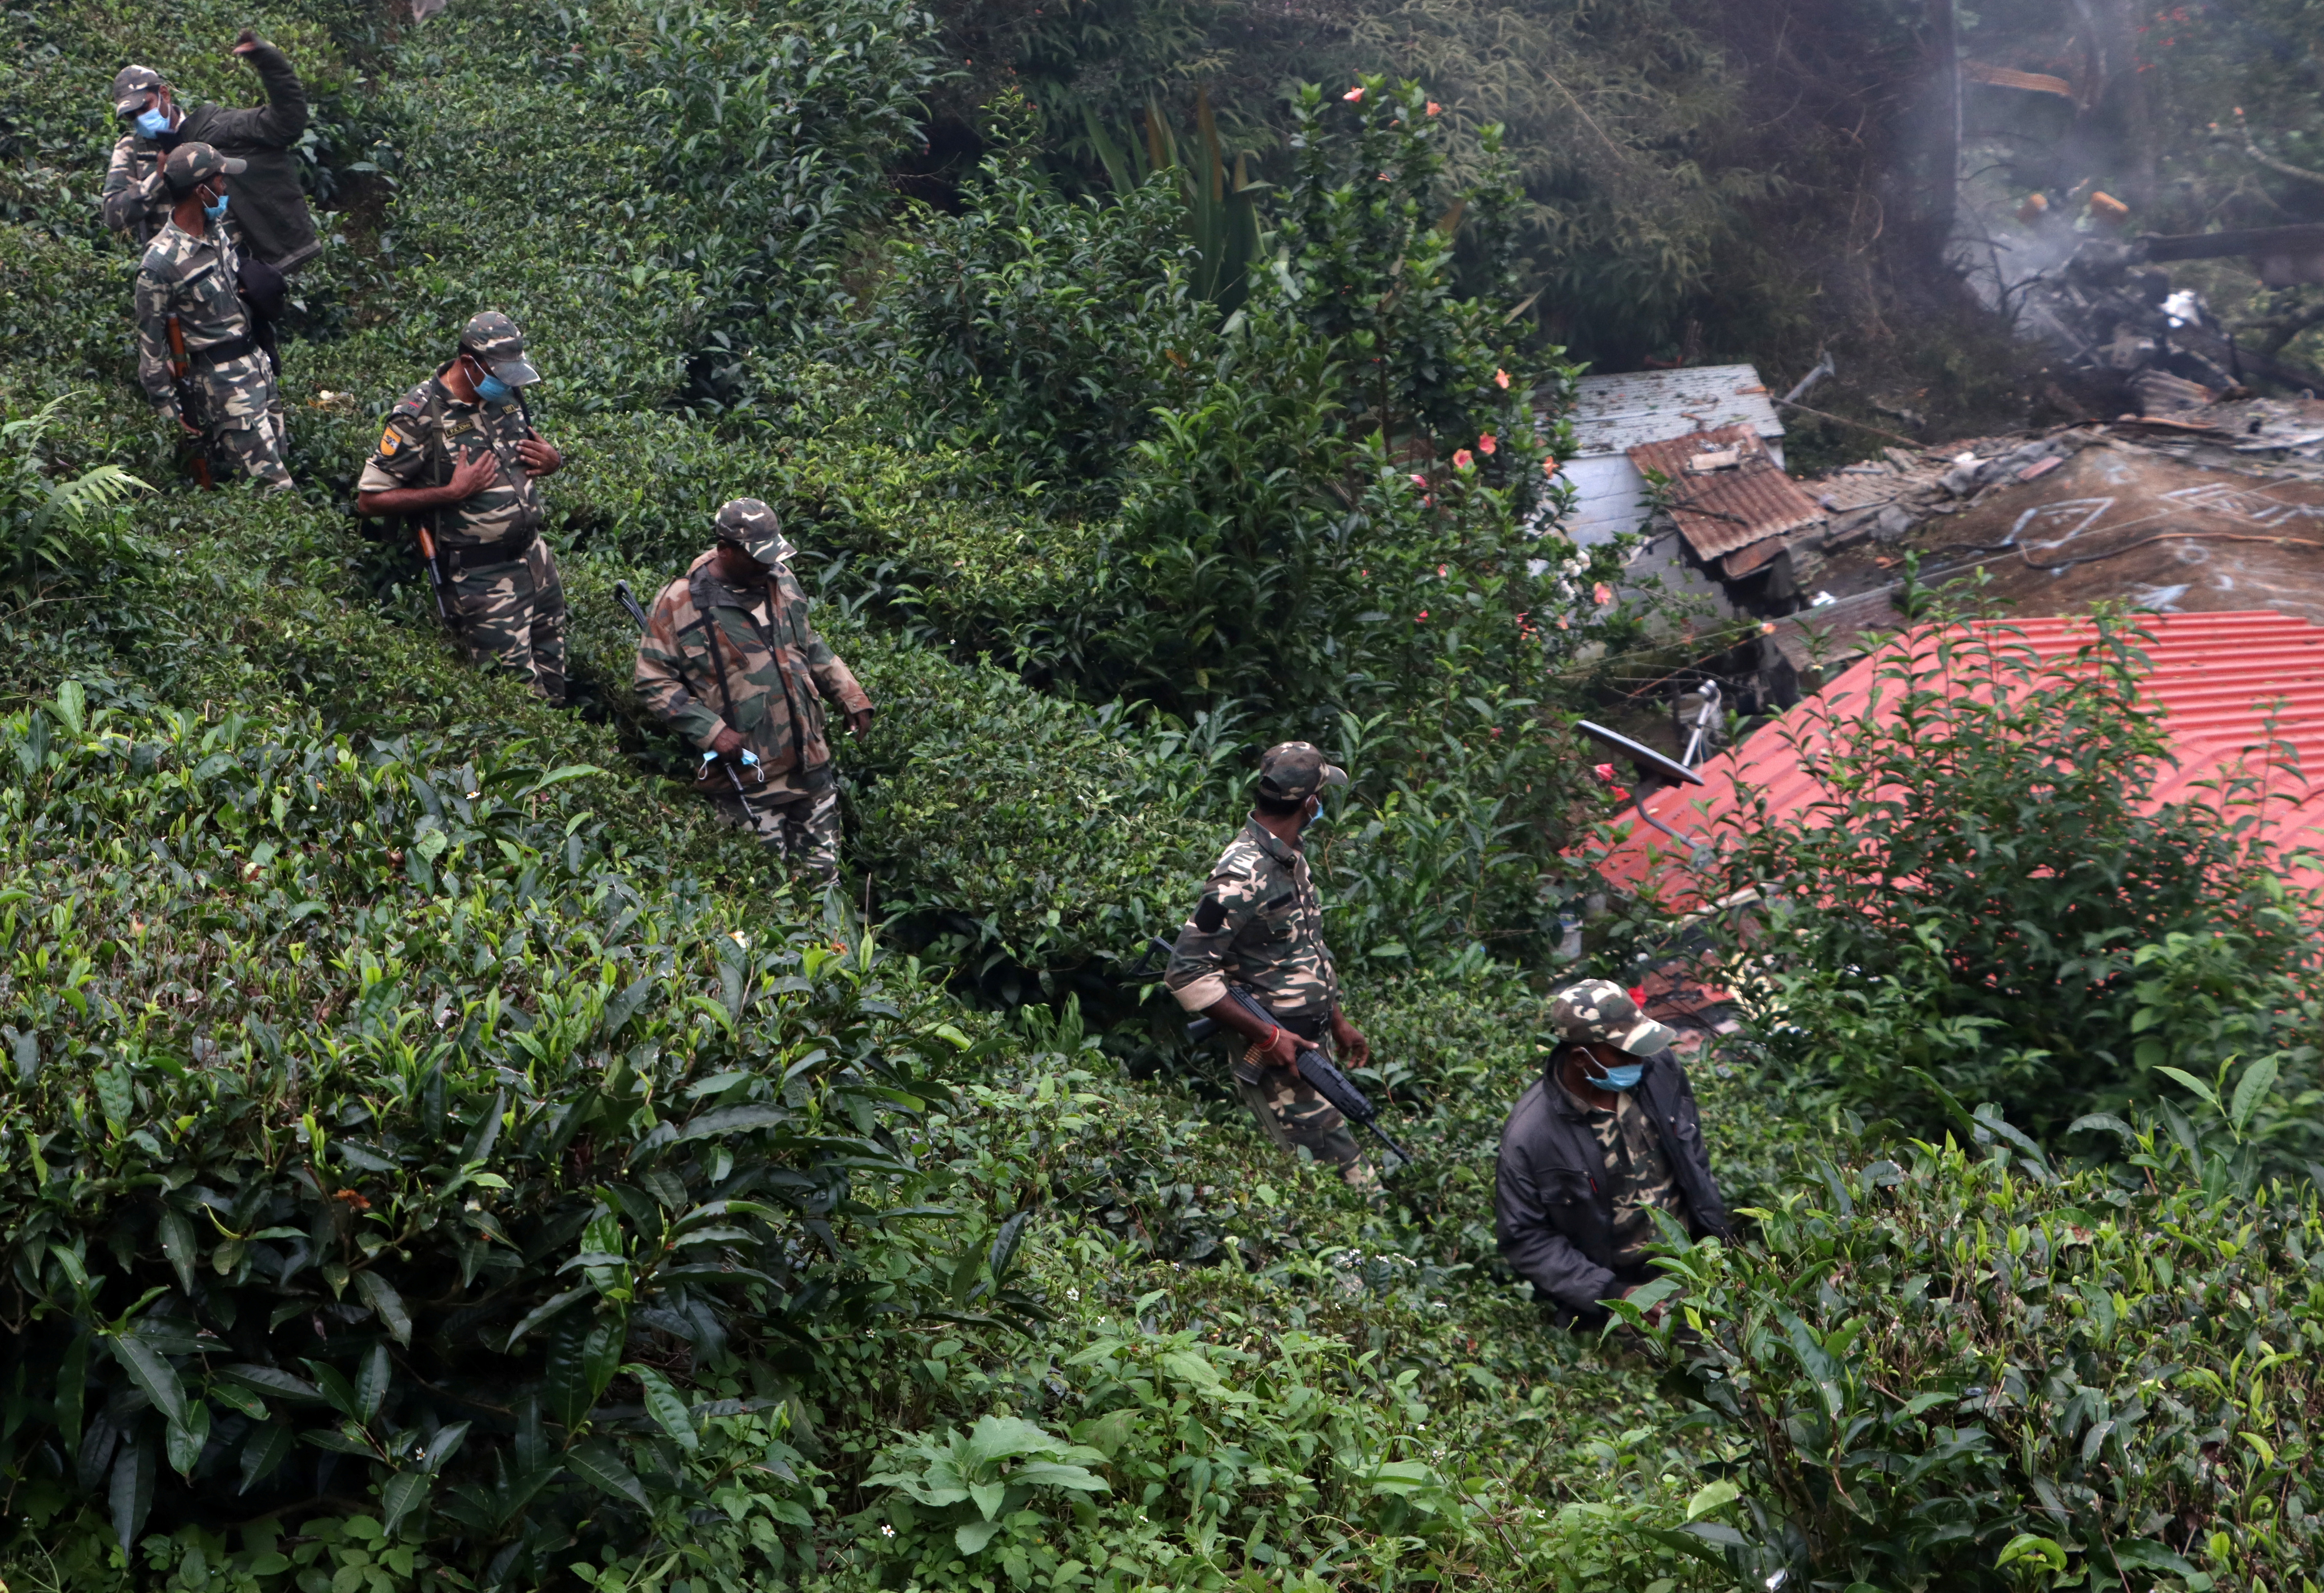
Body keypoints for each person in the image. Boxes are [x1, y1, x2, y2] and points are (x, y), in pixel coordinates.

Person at [1165, 742, 1376, 1189]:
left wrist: (1335, 1019)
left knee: (1335, 1161)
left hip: (1312, 1045)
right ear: (1310, 802)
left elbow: (1303, 947)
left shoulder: (1289, 858)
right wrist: (1268, 1034)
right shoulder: (1242, 875)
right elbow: (1186, 973)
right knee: (1338, 1185)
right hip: (1278, 1056)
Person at [632, 499, 874, 886]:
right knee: (763, 892)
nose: (769, 567)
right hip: (746, 777)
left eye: (773, 556)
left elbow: (808, 645)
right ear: (725, 550)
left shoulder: (782, 580)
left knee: (824, 882)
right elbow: (652, 680)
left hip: (810, 766)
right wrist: (710, 730)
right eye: (758, 558)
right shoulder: (680, 602)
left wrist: (850, 695)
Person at [354, 312, 568, 705]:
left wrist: (553, 460)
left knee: (555, 680)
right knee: (519, 700)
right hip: (482, 578)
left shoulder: (505, 395)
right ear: (470, 364)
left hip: (535, 559)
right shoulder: (418, 416)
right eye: (501, 374)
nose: (508, 383)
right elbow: (370, 500)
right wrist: (450, 493)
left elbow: (522, 454)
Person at [1495, 978, 1732, 1330]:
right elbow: (1526, 1238)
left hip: (1697, 1265)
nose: (1638, 1058)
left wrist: (1721, 1244)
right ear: (1580, 1057)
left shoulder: (1659, 1070)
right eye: (1624, 1052)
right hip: (1620, 1296)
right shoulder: (1531, 1136)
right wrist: (1613, 1293)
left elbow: (1692, 1157)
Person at [132, 143, 293, 493]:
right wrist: (169, 411)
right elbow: (150, 347)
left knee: (280, 469)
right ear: (200, 189)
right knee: (275, 494)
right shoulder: (160, 265)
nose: (225, 189)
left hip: (259, 369)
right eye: (219, 181)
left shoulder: (216, 231)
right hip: (225, 390)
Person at [101, 33, 320, 274]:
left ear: (164, 94)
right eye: (132, 116)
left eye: (145, 107)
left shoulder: (212, 126)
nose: (141, 119)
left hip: (239, 267)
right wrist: (159, 178)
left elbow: (284, 124)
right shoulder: (131, 150)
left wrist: (269, 61)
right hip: (181, 279)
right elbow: (114, 216)